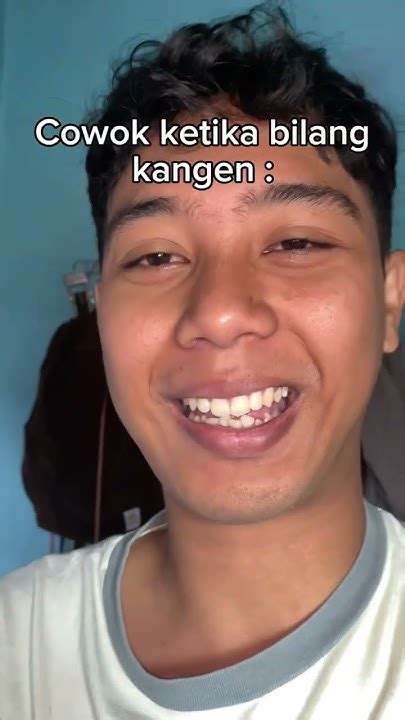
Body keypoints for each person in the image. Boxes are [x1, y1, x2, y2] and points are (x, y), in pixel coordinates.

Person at [1, 4, 404, 718]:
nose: (218, 312)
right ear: (103, 311)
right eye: (156, 257)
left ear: (388, 301)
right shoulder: (17, 644)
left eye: (296, 244)